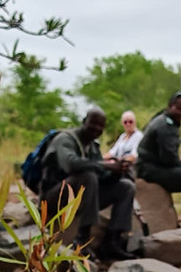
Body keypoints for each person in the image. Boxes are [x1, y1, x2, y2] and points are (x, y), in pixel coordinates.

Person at [40, 106, 137, 262]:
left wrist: (117, 172)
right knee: (88, 177)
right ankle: (81, 240)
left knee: (126, 187)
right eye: (93, 124)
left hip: (78, 198)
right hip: (53, 198)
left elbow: (102, 176)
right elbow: (70, 165)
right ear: (84, 122)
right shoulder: (65, 139)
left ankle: (111, 242)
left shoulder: (93, 146)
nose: (96, 129)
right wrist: (105, 165)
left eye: (100, 126)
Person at [137, 92, 181, 226]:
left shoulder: (161, 118)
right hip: (150, 170)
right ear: (170, 106)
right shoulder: (165, 126)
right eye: (179, 109)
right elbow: (169, 158)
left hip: (147, 167)